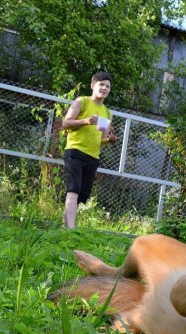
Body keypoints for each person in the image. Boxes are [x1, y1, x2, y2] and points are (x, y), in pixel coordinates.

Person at [60, 71, 118, 228]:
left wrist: (110, 140)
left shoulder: (107, 113)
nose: (104, 88)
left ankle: (65, 225)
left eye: (107, 86)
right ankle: (71, 229)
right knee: (74, 188)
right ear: (93, 85)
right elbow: (65, 123)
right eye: (101, 85)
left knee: (82, 194)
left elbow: (101, 140)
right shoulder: (82, 101)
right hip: (75, 150)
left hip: (93, 156)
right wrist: (85, 121)